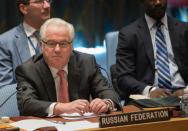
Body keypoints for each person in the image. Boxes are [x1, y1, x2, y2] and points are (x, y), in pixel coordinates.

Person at [15, 18, 121, 117]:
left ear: (71, 46)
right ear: (41, 46)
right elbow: (26, 104)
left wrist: (106, 103)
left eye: (63, 44)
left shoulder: (86, 62)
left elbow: (107, 91)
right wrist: (63, 107)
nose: (57, 49)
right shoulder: (28, 70)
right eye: (51, 43)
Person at [116, 0, 188, 101]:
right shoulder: (129, 34)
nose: (158, 2)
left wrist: (185, 91)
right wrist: (150, 90)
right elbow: (124, 78)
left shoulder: (184, 29)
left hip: (183, 95)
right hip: (149, 99)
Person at [0, 0, 51, 87]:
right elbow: (5, 88)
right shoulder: (5, 42)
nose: (47, 6)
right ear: (23, 8)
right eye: (39, 2)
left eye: (48, 1)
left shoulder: (62, 37)